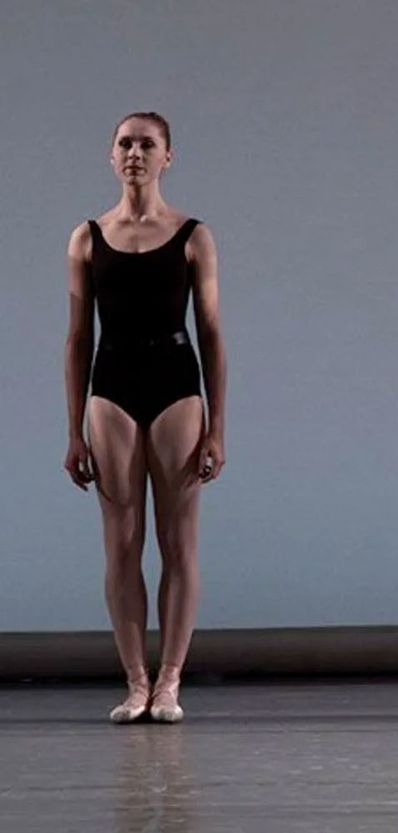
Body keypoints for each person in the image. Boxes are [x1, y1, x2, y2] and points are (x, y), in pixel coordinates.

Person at [64, 112, 227, 723]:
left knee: (177, 541)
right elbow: (78, 338)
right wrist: (73, 430)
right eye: (126, 144)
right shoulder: (88, 238)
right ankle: (136, 681)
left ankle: (170, 680)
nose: (135, 153)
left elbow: (211, 333)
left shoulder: (192, 236)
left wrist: (217, 426)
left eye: (147, 144)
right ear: (112, 156)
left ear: (167, 156)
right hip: (111, 387)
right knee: (122, 542)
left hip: (176, 384)